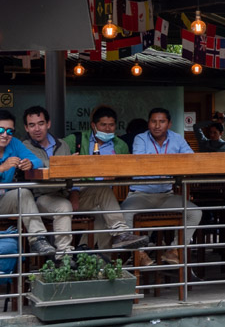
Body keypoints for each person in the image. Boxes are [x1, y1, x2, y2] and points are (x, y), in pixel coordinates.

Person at [60, 106, 148, 251]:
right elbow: (56, 160)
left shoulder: (120, 146)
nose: (108, 129)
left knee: (102, 217)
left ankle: (86, 253)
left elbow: (127, 171)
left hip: (104, 200)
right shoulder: (76, 139)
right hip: (75, 195)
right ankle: (113, 245)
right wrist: (74, 191)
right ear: (94, 125)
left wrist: (116, 173)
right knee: (106, 215)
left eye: (111, 125)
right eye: (103, 125)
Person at [126, 107, 202, 263]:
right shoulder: (140, 138)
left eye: (162, 121)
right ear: (149, 123)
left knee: (195, 212)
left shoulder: (177, 139)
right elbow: (141, 161)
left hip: (166, 196)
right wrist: (170, 165)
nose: (157, 125)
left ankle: (174, 250)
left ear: (169, 124)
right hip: (140, 195)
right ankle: (139, 254)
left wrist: (163, 166)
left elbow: (191, 159)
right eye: (153, 121)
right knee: (123, 214)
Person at [18, 105, 73, 254]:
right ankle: (65, 257)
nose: (37, 128)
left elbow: (72, 171)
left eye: (41, 123)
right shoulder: (23, 146)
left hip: (66, 193)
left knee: (102, 191)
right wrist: (62, 164)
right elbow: (37, 169)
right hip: (41, 198)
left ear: (48, 124)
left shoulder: (63, 144)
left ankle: (121, 232)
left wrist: (76, 192)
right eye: (32, 125)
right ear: (26, 128)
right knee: (64, 206)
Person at [0, 109, 53, 256]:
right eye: (1, 130)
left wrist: (30, 164)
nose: (5, 135)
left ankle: (37, 239)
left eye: (9, 131)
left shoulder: (15, 144)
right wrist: (2, 168)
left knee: (23, 192)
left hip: (4, 201)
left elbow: (37, 160)